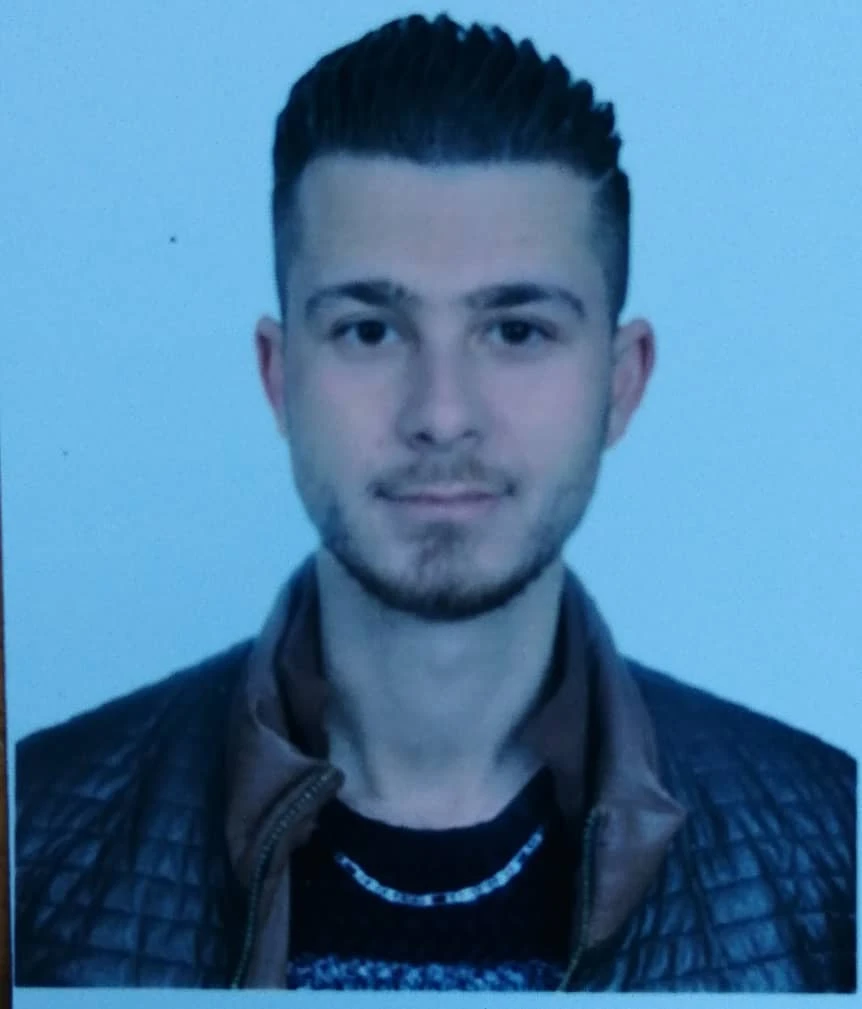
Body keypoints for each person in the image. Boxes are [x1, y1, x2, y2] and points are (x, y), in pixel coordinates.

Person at [14, 12, 856, 993]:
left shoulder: (832, 854)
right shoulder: (30, 838)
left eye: (517, 330)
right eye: (370, 330)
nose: (443, 414)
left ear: (620, 383)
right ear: (279, 376)